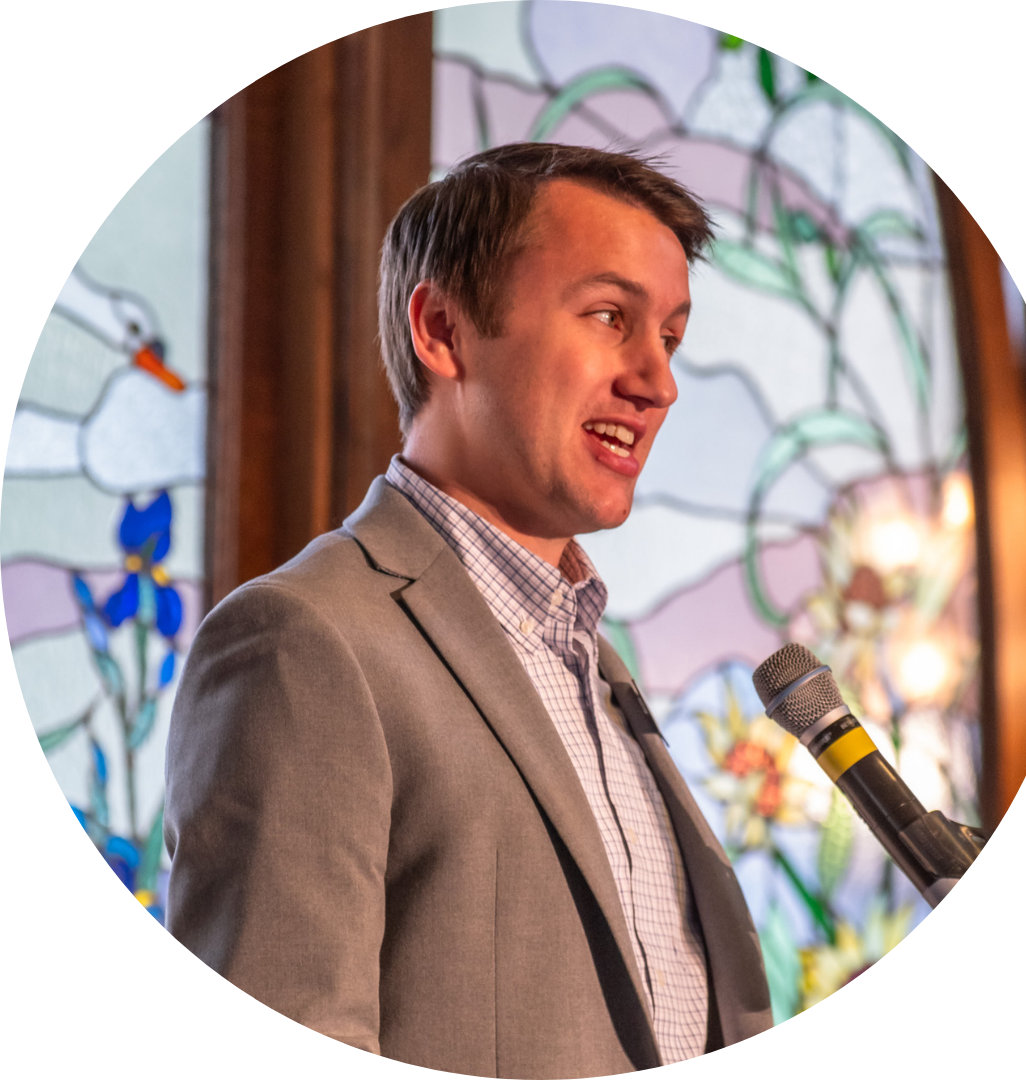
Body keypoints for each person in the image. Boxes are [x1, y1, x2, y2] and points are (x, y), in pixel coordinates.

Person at [164, 142, 773, 1075]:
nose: (658, 382)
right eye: (611, 317)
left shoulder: (597, 675)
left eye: (671, 337)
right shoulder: (303, 641)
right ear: (443, 329)